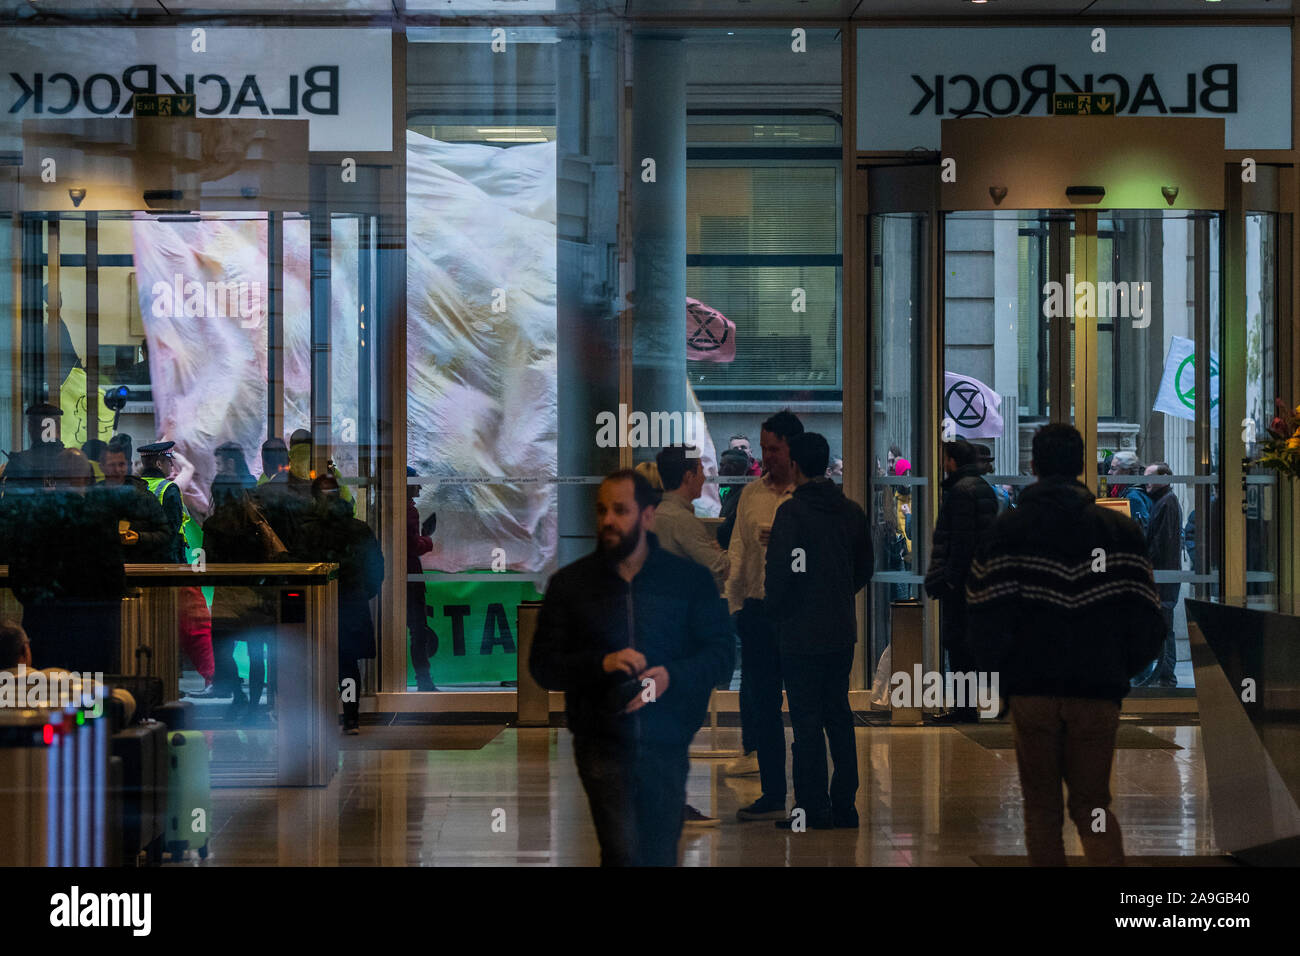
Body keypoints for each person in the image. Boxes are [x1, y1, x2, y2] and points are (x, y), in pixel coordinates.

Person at [966, 423, 1164, 866]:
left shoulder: (1007, 531)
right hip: (1097, 689)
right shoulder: (1118, 532)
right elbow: (1148, 615)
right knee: (1092, 806)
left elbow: (982, 612)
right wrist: (1119, 668)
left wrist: (1003, 675)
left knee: (1041, 809)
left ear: (1033, 466)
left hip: (1032, 690)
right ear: (1080, 466)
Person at [529, 470, 732, 866]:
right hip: (601, 742)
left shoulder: (688, 582)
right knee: (621, 850)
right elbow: (544, 665)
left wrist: (672, 675)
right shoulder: (572, 586)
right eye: (602, 510)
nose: (608, 520)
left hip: (667, 740)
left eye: (621, 510)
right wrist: (600, 663)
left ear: (648, 516)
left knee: (658, 850)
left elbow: (721, 654)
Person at [764, 432, 870, 830]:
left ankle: (811, 807)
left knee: (806, 722)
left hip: (800, 632)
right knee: (839, 716)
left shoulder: (792, 514)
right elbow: (864, 568)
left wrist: (779, 611)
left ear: (795, 465)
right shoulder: (851, 511)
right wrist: (839, 593)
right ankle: (845, 805)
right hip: (840, 629)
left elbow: (783, 573)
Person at [724, 409, 802, 818]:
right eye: (764, 447)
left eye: (775, 448)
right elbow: (737, 549)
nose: (766, 456)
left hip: (797, 614)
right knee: (764, 708)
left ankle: (809, 796)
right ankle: (773, 792)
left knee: (806, 709)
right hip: (756, 612)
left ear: (793, 450)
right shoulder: (752, 495)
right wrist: (735, 605)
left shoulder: (808, 498)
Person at [652, 444, 732, 829]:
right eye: (699, 471)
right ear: (686, 477)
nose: (703, 477)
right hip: (680, 635)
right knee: (680, 719)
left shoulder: (659, 517)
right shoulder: (680, 521)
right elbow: (718, 564)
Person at [0, 449, 126, 673]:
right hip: (92, 626)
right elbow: (114, 578)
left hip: (43, 623)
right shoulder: (101, 516)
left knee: (46, 694)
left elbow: (18, 572)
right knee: (90, 696)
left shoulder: (32, 514)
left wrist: (36, 603)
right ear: (87, 477)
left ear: (52, 477)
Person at [299, 475, 384, 734]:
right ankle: (350, 718)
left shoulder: (307, 531)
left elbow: (299, 569)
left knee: (313, 663)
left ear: (314, 498)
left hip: (317, 605)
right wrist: (362, 593)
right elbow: (376, 569)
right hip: (351, 604)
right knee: (347, 665)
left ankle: (318, 720)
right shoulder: (358, 529)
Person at [924, 438, 1000, 723]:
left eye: (945, 458)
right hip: (981, 579)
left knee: (958, 645)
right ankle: (976, 704)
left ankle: (965, 708)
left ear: (952, 461)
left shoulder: (960, 491)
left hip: (962, 583)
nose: (943, 464)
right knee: (971, 644)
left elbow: (961, 541)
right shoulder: (984, 489)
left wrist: (950, 580)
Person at [139, 440, 215, 696]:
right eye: (168, 460)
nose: (171, 465)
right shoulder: (167, 489)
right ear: (159, 462)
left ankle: (160, 682)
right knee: (196, 623)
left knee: (155, 625)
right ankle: (211, 677)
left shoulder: (136, 487)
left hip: (142, 568)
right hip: (171, 567)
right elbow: (171, 532)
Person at [1140, 462, 1183, 688]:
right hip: (1164, 575)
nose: (1146, 480)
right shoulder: (1164, 501)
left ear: (1164, 478)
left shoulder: (1167, 503)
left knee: (1165, 626)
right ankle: (1163, 675)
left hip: (1164, 577)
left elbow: (1160, 543)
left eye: (1150, 476)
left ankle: (1166, 676)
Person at [407, 466, 439, 692]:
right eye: (416, 482)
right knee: (418, 629)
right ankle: (424, 680)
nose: (420, 486)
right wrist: (427, 540)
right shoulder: (409, 511)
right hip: (409, 577)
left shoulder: (386, 507)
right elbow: (411, 546)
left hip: (397, 576)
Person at [2, 402, 66, 492]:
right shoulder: (75, 460)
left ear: (31, 428)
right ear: (58, 428)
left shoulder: (19, 462)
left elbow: (10, 502)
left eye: (30, 424)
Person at [1107, 451, 1151, 534]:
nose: (1109, 472)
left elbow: (1140, 532)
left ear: (1126, 471)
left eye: (1113, 468)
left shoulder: (1133, 498)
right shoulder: (1127, 492)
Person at [715, 448, 749, 549]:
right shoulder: (732, 493)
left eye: (722, 466)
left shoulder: (744, 496)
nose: (719, 471)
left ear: (733, 468)